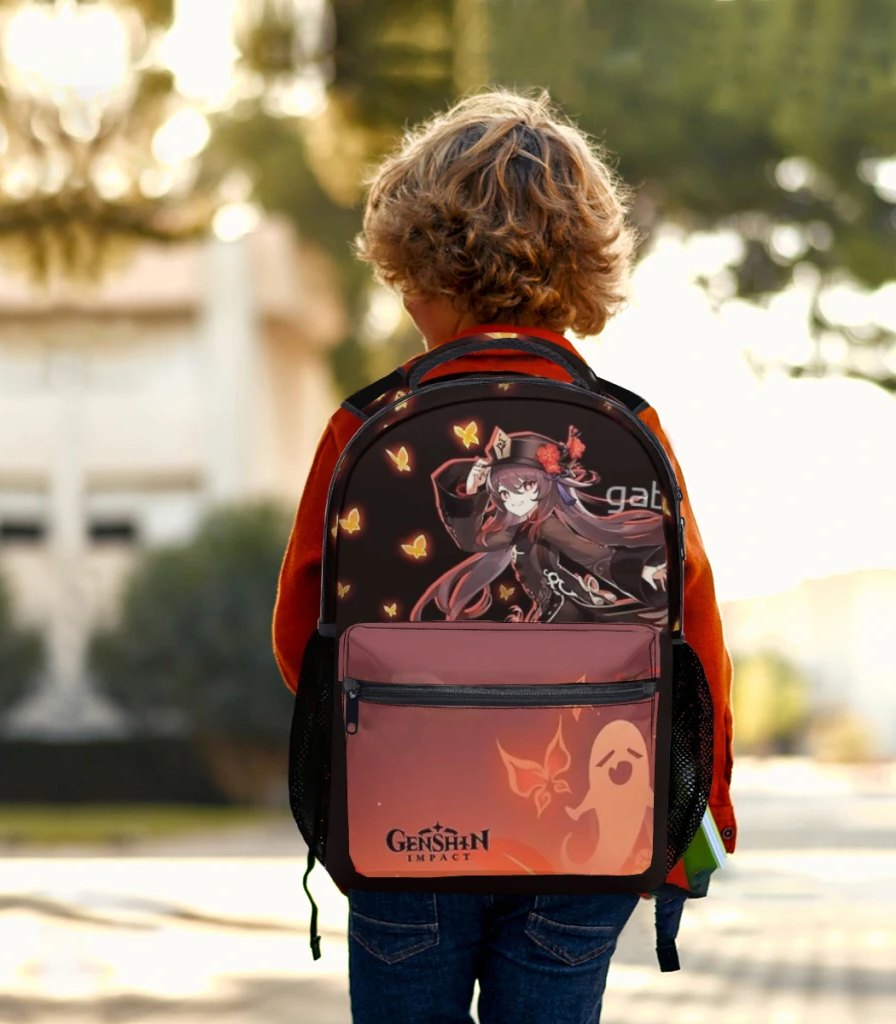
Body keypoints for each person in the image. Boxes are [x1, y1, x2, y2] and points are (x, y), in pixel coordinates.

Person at [272, 87, 736, 1024]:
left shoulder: (364, 426)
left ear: (417, 270)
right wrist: (699, 810)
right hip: (581, 840)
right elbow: (695, 637)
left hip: (407, 827)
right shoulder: (630, 425)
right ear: (584, 269)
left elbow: (299, 636)